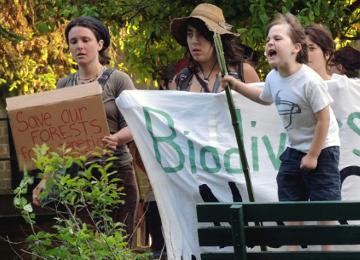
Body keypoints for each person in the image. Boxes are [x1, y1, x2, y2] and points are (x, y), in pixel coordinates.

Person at [222, 13, 341, 251]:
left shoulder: (309, 81)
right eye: (268, 40)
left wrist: (313, 155)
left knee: (324, 208)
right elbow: (264, 97)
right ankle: (292, 252)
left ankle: (329, 254)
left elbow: (324, 119)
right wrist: (236, 85)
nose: (270, 43)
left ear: (297, 48)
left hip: (323, 149)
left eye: (277, 38)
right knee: (289, 201)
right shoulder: (274, 78)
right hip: (295, 150)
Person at [32, 16, 139, 244]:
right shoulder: (64, 85)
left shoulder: (118, 80)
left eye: (85, 40)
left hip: (116, 174)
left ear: (100, 44)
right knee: (85, 247)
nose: (79, 46)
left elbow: (138, 124)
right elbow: (59, 141)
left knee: (118, 246)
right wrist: (46, 180)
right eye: (73, 41)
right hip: (78, 179)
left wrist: (118, 138)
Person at [168, 3, 260, 92]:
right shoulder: (181, 80)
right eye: (190, 34)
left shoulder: (243, 72)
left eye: (201, 34)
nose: (194, 41)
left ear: (218, 38)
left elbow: (260, 106)